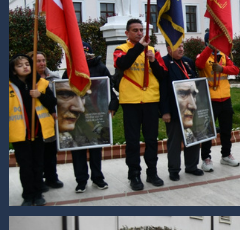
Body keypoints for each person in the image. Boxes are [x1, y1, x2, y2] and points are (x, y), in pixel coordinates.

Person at [113, 19, 169, 190]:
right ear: (127, 33)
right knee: (132, 141)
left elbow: (162, 76)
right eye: (135, 30)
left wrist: (152, 61)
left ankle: (152, 172)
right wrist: (139, 48)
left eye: (141, 30)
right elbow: (122, 64)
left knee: (151, 140)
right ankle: (134, 175)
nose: (139, 33)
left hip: (151, 100)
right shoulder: (121, 49)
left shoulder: (152, 50)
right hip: (131, 101)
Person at [63, 41, 111, 192]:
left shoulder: (100, 67)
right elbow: (63, 87)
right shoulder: (70, 70)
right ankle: (81, 180)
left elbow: (109, 87)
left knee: (96, 147)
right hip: (77, 116)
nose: (83, 55)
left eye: (86, 52)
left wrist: (113, 105)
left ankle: (98, 178)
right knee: (78, 148)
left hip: (96, 114)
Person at [9, 53, 55, 206]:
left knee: (38, 164)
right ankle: (28, 195)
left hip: (38, 132)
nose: (25, 67)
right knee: (26, 166)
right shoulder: (9, 86)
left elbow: (52, 102)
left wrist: (40, 95)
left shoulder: (40, 83)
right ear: (14, 70)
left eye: (27, 64)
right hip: (20, 133)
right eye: (20, 65)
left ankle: (38, 194)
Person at [194, 40, 240, 172]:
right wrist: (209, 48)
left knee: (226, 130)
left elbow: (236, 70)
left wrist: (223, 69)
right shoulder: (202, 56)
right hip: (210, 99)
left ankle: (226, 155)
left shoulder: (224, 56)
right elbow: (199, 64)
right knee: (208, 132)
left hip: (225, 98)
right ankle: (206, 158)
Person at [163, 42, 204, 180]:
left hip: (190, 107)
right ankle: (174, 170)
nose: (181, 49)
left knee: (192, 136)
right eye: (177, 47)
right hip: (174, 109)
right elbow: (162, 90)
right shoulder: (164, 63)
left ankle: (191, 166)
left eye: (182, 46)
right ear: (169, 48)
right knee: (175, 140)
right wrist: (165, 111)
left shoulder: (188, 62)